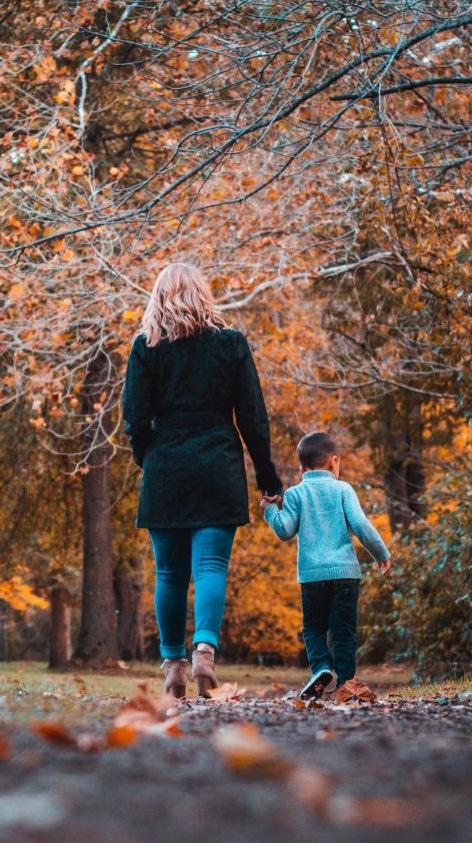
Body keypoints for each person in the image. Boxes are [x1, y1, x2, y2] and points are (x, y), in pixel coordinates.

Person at [123, 263, 284, 698]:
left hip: (166, 467)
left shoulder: (145, 348)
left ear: (158, 296)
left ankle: (173, 663)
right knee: (210, 566)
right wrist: (268, 476)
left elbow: (135, 419)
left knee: (170, 573)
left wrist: (149, 459)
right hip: (218, 465)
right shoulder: (230, 344)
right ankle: (205, 653)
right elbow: (252, 417)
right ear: (203, 295)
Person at [261, 431, 391, 700]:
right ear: (334, 462)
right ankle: (346, 684)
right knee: (343, 631)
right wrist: (380, 552)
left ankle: (321, 668)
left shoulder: (295, 494)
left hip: (311, 577)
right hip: (345, 575)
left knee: (314, 628)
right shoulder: (343, 490)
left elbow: (284, 531)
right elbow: (361, 526)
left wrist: (270, 509)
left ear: (300, 467)